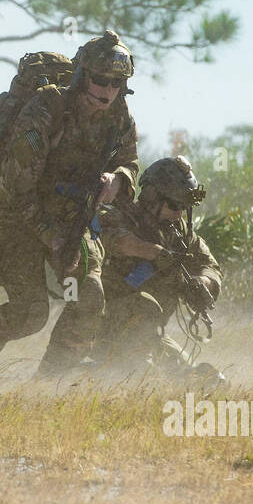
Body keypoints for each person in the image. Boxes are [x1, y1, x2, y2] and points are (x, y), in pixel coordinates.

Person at [0, 31, 140, 381]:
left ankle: (48, 385)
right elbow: (18, 188)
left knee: (89, 296)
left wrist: (118, 179)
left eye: (117, 83)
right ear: (83, 76)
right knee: (30, 315)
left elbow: (130, 162)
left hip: (75, 218)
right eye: (101, 80)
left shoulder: (118, 116)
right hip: (21, 216)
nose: (109, 90)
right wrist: (51, 237)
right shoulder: (46, 108)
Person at [94, 155, 225, 384]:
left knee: (198, 379)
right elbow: (116, 240)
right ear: (152, 198)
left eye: (184, 207)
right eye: (174, 205)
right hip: (103, 331)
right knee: (149, 378)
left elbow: (210, 266)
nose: (179, 213)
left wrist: (203, 283)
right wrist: (154, 253)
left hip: (151, 337)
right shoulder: (119, 217)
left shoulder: (180, 232)